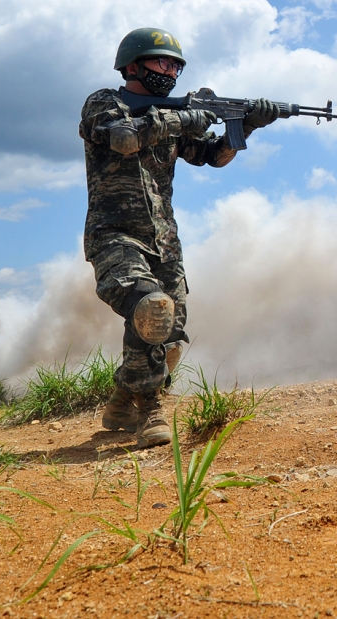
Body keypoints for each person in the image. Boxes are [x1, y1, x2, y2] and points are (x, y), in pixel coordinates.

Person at [79, 27, 277, 447]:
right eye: (162, 62)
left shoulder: (174, 117)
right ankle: (150, 411)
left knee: (170, 338)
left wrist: (248, 127)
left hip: (165, 242)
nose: (171, 71)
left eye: (176, 65)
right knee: (152, 310)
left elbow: (211, 156)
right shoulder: (105, 104)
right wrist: (184, 118)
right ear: (133, 65)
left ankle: (122, 395)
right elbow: (125, 138)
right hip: (114, 235)